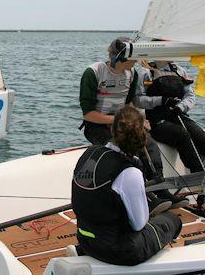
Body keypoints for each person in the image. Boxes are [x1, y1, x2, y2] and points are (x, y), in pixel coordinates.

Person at [79, 38, 185, 210]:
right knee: (127, 154)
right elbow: (89, 114)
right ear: (120, 57)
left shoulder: (132, 74)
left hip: (121, 121)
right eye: (133, 56)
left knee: (149, 144)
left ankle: (161, 189)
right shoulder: (94, 72)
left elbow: (129, 104)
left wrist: (139, 119)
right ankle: (146, 198)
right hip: (97, 126)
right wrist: (119, 120)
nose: (136, 60)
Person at [72, 105, 182, 265]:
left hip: (85, 240)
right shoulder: (130, 172)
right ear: (142, 136)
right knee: (172, 221)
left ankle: (83, 251)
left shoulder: (90, 154)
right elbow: (139, 224)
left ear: (112, 129)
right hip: (119, 251)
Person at [137, 60, 205, 201]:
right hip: (156, 121)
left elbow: (190, 95)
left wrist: (180, 107)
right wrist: (161, 100)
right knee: (181, 135)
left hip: (178, 114)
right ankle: (201, 178)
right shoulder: (145, 72)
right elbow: (137, 100)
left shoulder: (179, 70)